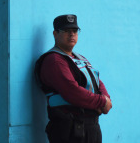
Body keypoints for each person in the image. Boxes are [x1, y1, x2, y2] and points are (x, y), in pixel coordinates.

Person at [35, 14, 112, 143]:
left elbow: (97, 81)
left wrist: (105, 99)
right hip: (70, 130)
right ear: (55, 33)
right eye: (66, 31)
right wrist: (101, 102)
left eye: (75, 31)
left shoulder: (80, 58)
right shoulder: (54, 60)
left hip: (90, 127)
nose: (71, 34)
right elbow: (72, 91)